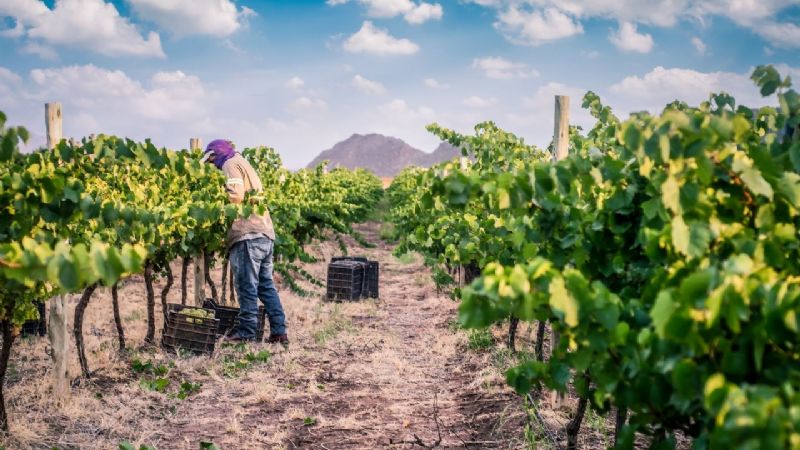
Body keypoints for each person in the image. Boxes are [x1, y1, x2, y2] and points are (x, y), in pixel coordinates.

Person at [201, 139, 288, 345]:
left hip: (247, 233)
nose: (213, 165)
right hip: (265, 232)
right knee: (265, 285)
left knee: (246, 286)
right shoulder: (244, 163)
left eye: (212, 160)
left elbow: (236, 196)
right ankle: (279, 331)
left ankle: (247, 332)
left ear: (217, 154)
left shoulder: (230, 164)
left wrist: (215, 207)